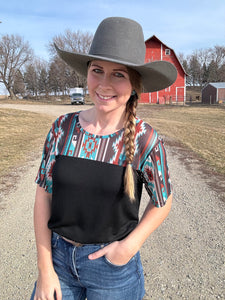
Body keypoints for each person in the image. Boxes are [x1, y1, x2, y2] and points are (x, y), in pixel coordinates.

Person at [30, 17, 177, 300]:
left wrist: (129, 247)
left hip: (113, 272)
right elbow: (43, 195)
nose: (104, 84)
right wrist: (44, 268)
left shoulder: (147, 140)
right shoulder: (62, 128)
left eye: (118, 74)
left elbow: (163, 200)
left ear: (135, 84)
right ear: (87, 74)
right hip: (58, 262)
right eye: (97, 70)